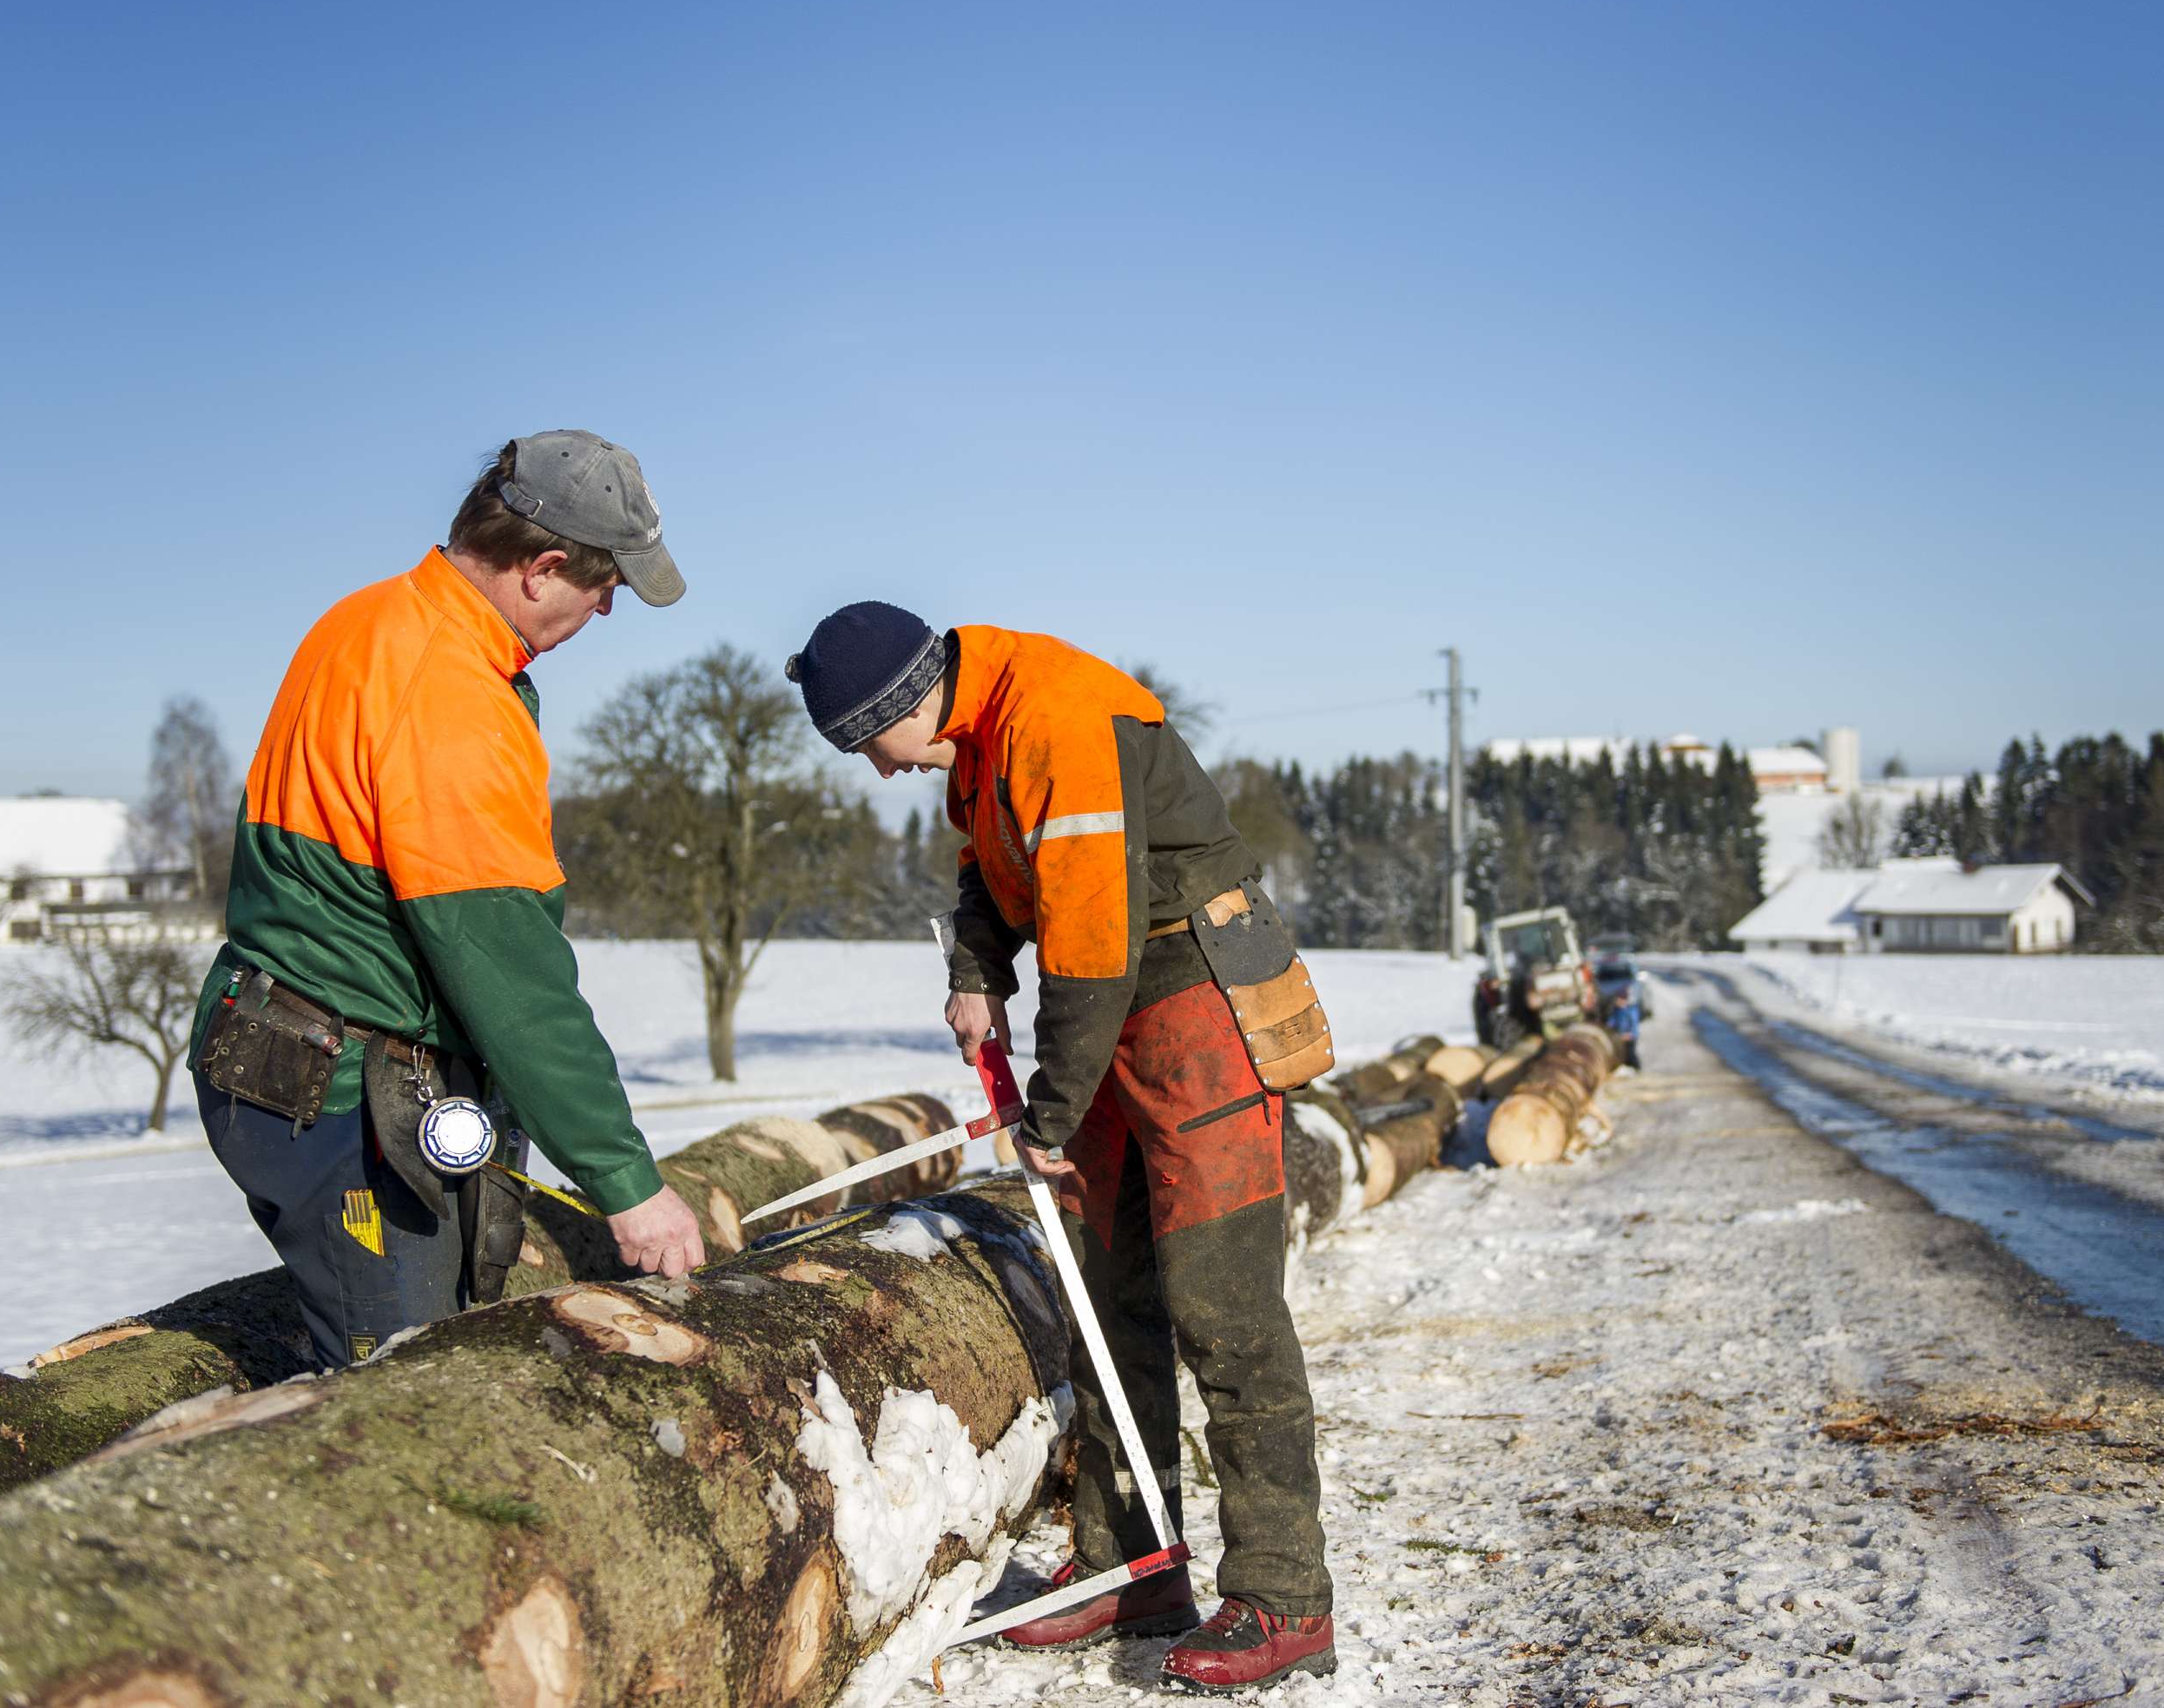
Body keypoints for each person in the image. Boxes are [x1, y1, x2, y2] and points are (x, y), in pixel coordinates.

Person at [786, 603, 1338, 1694]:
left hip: (1200, 1003)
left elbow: (1090, 944)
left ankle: (1285, 1594)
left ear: (902, 705)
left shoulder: (1057, 717)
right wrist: (974, 973)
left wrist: (1045, 1116)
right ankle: (1132, 1562)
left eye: (867, 747)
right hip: (1116, 1006)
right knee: (1102, 1288)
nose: (879, 772)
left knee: (1224, 1310)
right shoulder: (982, 731)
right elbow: (993, 877)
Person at [187, 432, 706, 1371]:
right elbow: (516, 982)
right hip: (333, 1087)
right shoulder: (452, 697)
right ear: (544, 568)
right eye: (605, 589)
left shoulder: (375, 617)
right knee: (402, 1383)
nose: (606, 610)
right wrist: (629, 1186)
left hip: (277, 1041)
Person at [1605, 984, 1643, 1071]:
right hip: (1620, 1037)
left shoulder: (1631, 1010)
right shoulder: (1617, 1010)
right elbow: (1612, 1021)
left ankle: (1637, 1069)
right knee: (1622, 1055)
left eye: (1619, 999)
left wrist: (1631, 1034)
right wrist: (1609, 1026)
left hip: (1630, 1038)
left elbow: (1634, 1025)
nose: (1617, 1001)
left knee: (1631, 1054)